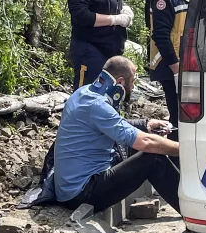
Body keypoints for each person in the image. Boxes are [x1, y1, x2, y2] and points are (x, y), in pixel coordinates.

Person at [53, 56, 181, 213]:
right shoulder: (96, 106)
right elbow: (146, 142)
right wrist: (184, 150)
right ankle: (194, 215)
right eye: (132, 82)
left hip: (70, 189)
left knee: (149, 147)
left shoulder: (83, 93)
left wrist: (145, 124)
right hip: (82, 194)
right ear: (120, 82)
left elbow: (112, 123)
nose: (132, 87)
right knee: (154, 159)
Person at [149, 0, 198, 132]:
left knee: (188, 118)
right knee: (179, 118)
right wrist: (177, 72)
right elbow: (161, 36)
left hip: (184, 64)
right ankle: (174, 155)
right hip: (170, 65)